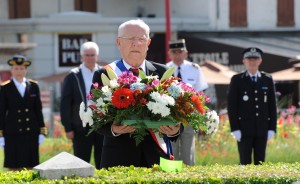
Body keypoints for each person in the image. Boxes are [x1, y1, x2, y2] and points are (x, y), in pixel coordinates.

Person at [92, 19, 182, 168]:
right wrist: (113, 129)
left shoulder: (164, 73)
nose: (136, 43)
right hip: (118, 159)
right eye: (130, 39)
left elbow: (181, 112)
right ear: (118, 42)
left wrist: (176, 129)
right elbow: (95, 116)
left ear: (148, 43)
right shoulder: (105, 74)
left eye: (141, 39)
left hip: (159, 158)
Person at [227, 47, 277, 165]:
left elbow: (272, 106)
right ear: (243, 61)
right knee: (244, 162)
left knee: (260, 163)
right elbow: (232, 106)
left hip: (262, 128)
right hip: (243, 129)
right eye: (249, 59)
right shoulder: (237, 79)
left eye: (255, 59)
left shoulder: (267, 79)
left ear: (260, 61)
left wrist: (272, 128)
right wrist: (235, 128)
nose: (252, 62)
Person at [60, 42, 104, 169]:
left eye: (92, 55)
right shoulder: (73, 75)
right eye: (87, 55)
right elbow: (65, 103)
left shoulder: (104, 73)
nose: (90, 58)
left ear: (97, 56)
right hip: (80, 126)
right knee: (80, 162)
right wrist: (67, 127)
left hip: (101, 123)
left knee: (102, 161)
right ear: (81, 56)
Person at [0, 55, 47, 170]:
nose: (19, 72)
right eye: (16, 68)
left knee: (31, 166)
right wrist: (0, 134)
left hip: (31, 131)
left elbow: (38, 110)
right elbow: (1, 112)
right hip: (12, 133)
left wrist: (42, 131)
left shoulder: (33, 86)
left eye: (21, 69)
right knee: (14, 167)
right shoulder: (5, 88)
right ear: (11, 70)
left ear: (26, 70)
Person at [166, 39, 208, 166]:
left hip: (189, 116)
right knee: (171, 152)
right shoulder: (164, 69)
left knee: (188, 152)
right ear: (169, 53)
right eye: (174, 52)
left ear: (186, 53)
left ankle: (189, 178)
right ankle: (170, 179)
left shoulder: (194, 69)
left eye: (180, 52)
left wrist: (201, 115)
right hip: (170, 116)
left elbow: (201, 93)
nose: (177, 55)